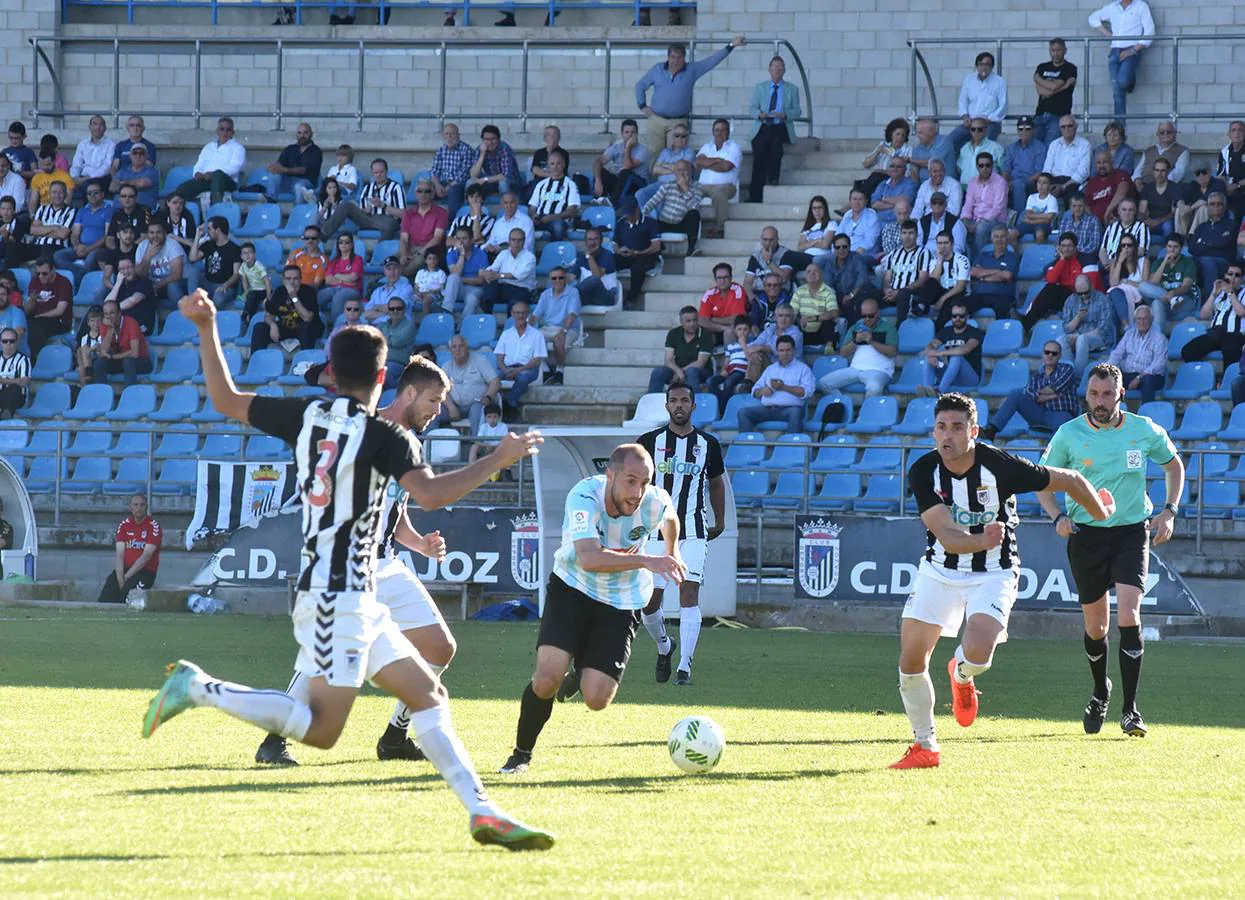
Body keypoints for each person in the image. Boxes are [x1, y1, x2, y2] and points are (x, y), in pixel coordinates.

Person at [145, 292, 553, 850]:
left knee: (429, 694)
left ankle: (484, 811)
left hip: (342, 591)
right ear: (385, 376)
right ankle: (199, 687)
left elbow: (224, 397)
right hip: (341, 596)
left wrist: (207, 324)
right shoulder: (389, 438)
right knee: (320, 730)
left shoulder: (307, 415)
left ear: (332, 374)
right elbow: (431, 496)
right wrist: (497, 460)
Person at [252, 360, 505, 766]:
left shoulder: (409, 443)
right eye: (434, 401)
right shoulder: (363, 431)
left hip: (385, 564)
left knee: (440, 647)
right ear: (408, 394)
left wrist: (420, 544)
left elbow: (395, 512)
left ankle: (394, 737)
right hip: (346, 565)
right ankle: (273, 741)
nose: (438, 411)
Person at [891, 393, 1108, 769]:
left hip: (994, 570)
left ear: (973, 431)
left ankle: (961, 675)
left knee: (978, 654)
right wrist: (980, 539)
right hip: (940, 569)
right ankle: (925, 746)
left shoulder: (1000, 466)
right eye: (941, 427)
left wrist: (1102, 511)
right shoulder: (923, 470)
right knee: (910, 662)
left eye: (958, 428)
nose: (948, 436)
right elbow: (947, 536)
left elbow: (1070, 479)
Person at [499, 443, 682, 774]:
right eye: (630, 481)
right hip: (573, 587)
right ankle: (521, 755)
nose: (638, 491)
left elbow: (671, 520)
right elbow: (589, 558)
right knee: (546, 679)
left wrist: (675, 552)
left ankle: (581, 671)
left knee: (597, 698)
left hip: (621, 601)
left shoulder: (655, 500)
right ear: (609, 475)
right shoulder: (584, 497)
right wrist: (647, 559)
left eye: (645, 482)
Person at [1038, 363, 1183, 738]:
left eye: (1106, 394)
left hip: (1131, 534)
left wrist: (1169, 511)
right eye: (1093, 394)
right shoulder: (1069, 435)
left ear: (1121, 394)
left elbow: (1174, 466)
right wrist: (1057, 516)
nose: (1099, 402)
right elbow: (1042, 481)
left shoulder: (1144, 430)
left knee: (1129, 614)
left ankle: (1131, 711)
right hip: (1086, 536)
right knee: (1096, 625)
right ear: (1087, 394)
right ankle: (1100, 691)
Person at [636, 384, 726, 686]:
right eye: (673, 401)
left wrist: (720, 519)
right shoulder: (649, 442)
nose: (679, 405)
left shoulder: (708, 444)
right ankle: (665, 646)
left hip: (694, 530)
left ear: (693, 406)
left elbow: (716, 483)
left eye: (684, 400)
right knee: (649, 602)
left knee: (689, 593)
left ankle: (685, 666)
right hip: (655, 532)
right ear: (666, 406)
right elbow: (632, 482)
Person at [634, 38, 746, 157]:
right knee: (654, 157)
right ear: (668, 57)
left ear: (684, 58)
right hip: (656, 120)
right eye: (673, 57)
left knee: (676, 156)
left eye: (679, 57)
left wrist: (730, 45)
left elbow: (711, 61)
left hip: (678, 121)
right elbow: (640, 85)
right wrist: (642, 105)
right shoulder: (657, 69)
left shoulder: (691, 70)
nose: (675, 61)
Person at [980, 340, 1079, 440]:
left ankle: (1053, 454)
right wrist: (1055, 394)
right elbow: (1035, 396)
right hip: (1040, 413)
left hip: (1061, 413)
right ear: (1042, 354)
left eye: (1054, 353)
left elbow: (1055, 387)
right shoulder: (1036, 376)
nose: (1050, 355)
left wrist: (1049, 392)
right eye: (1047, 352)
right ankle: (992, 430)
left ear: (1059, 356)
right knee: (1016, 394)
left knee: (1062, 425)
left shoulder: (1067, 369)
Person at [816, 299, 898, 398]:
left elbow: (893, 352)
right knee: (823, 383)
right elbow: (843, 353)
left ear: (878, 313)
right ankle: (845, 407)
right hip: (854, 369)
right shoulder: (855, 327)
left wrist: (872, 341)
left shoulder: (889, 328)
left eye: (871, 316)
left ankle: (864, 413)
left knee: (874, 388)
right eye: (864, 316)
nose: (867, 319)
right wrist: (855, 341)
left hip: (879, 370)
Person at [747, 55, 801, 203]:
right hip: (763, 125)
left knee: (775, 145)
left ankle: (773, 179)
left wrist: (785, 114)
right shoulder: (761, 88)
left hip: (780, 125)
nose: (777, 70)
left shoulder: (792, 89)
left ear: (784, 70)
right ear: (769, 69)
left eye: (780, 67)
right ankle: (755, 194)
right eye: (774, 67)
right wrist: (760, 115)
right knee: (759, 156)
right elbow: (752, 108)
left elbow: (797, 111)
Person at [1089, 0, 1154, 119]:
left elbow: (1150, 33)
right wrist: (1108, 34)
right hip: (1114, 51)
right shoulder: (1113, 7)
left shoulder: (1141, 6)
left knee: (1122, 82)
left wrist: (1132, 50)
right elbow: (1093, 18)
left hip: (1131, 50)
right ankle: (1120, 127)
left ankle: (1130, 79)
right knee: (1117, 92)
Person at [735, 335, 813, 433]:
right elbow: (754, 391)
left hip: (790, 409)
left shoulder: (803, 369)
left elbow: (806, 392)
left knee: (795, 412)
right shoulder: (770, 369)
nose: (785, 353)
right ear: (777, 351)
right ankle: (746, 445)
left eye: (788, 350)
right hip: (768, 409)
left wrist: (783, 387)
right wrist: (763, 391)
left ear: (794, 350)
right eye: (781, 350)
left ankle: (792, 445)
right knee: (743, 412)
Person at [98, 494, 161, 604]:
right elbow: (119, 555)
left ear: (146, 507)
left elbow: (146, 557)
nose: (139, 508)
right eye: (135, 505)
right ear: (130, 508)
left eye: (142, 505)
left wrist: (126, 577)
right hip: (124, 569)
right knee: (107, 594)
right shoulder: (124, 525)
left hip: (145, 572)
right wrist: (120, 578)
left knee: (126, 597)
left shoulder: (153, 526)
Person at [322, 158, 405, 240]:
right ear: (372, 173)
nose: (379, 175)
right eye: (376, 172)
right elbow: (362, 211)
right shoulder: (367, 188)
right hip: (368, 219)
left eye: (381, 172)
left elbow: (403, 214)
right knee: (345, 205)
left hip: (387, 218)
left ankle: (380, 250)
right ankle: (322, 235)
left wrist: (383, 206)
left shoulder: (396, 187)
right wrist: (365, 210)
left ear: (386, 171)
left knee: (389, 225)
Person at [173, 117, 246, 209]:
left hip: (227, 181)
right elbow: (199, 164)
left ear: (233, 132)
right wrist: (197, 173)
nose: (225, 132)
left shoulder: (238, 148)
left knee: (218, 175)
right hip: (206, 179)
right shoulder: (209, 147)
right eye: (222, 129)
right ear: (217, 131)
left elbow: (235, 167)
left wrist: (213, 174)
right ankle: (187, 214)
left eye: (228, 130)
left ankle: (215, 210)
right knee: (182, 189)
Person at [249, 265, 323, 351]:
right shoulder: (279, 291)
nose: (292, 282)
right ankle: (257, 360)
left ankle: (305, 362)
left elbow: (307, 318)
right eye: (288, 279)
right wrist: (272, 325)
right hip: (286, 326)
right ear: (283, 280)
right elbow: (269, 315)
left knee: (306, 327)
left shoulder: (309, 291)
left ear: (300, 279)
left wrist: (294, 297)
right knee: (259, 327)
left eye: (295, 278)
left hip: (308, 327)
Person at [1182, 264, 1245, 365]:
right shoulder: (1220, 293)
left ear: (1242, 279)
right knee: (1188, 351)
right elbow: (1204, 315)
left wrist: (1231, 293)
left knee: (1230, 349)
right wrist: (1213, 294)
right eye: (1230, 274)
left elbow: (1241, 312)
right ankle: (1206, 375)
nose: (1232, 277)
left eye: (1237, 275)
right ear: (1225, 276)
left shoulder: (1243, 293)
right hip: (1216, 334)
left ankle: (1226, 380)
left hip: (1235, 335)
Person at [437, 334, 501, 434]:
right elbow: (440, 389)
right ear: (450, 351)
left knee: (478, 411)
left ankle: (477, 446)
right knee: (431, 413)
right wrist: (451, 408)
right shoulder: (447, 366)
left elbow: (495, 381)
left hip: (477, 403)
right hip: (455, 406)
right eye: (454, 347)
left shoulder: (479, 360)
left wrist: (488, 397)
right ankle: (425, 446)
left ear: (466, 347)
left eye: (461, 346)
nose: (457, 349)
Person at [530, 267, 583, 384]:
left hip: (569, 328)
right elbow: (535, 315)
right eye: (554, 278)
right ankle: (545, 369)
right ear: (550, 280)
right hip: (548, 328)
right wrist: (525, 327)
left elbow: (572, 315)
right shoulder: (545, 295)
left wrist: (563, 331)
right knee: (530, 338)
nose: (557, 281)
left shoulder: (573, 292)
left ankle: (559, 371)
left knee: (559, 340)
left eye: (560, 278)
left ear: (565, 279)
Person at [917, 303, 983, 396]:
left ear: (967, 317)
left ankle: (940, 391)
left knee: (956, 357)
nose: (957, 318)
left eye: (961, 316)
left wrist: (939, 353)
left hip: (969, 378)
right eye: (954, 316)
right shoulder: (947, 331)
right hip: (952, 376)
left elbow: (965, 349)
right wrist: (931, 354)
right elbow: (931, 344)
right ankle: (927, 390)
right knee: (929, 357)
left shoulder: (975, 332)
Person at [1137, 233, 1198, 332]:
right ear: (1165, 247)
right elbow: (1153, 283)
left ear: (1181, 248)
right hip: (1166, 301)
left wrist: (1173, 293)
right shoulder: (1159, 262)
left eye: (1176, 247)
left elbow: (1186, 287)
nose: (1172, 250)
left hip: (1183, 301)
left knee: (1157, 301)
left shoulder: (1188, 262)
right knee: (1142, 286)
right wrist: (1164, 262)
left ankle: (1157, 338)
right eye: (1169, 247)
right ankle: (1158, 338)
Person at [1106, 304, 1167, 402]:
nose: (1141, 322)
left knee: (1147, 381)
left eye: (1145, 319)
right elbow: (1117, 353)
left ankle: (1146, 414)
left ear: (1151, 320)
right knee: (1109, 378)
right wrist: (1107, 368)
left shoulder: (1159, 338)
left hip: (1150, 376)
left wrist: (1139, 377)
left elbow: (1159, 364)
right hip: (1129, 374)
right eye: (1139, 319)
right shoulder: (1129, 334)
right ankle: (1110, 414)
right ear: (1135, 320)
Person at [640, 160, 703, 254]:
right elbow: (653, 201)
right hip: (664, 221)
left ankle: (691, 249)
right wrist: (643, 214)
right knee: (647, 223)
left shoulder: (697, 186)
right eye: (678, 170)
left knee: (694, 214)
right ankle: (652, 252)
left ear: (690, 171)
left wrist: (685, 188)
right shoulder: (668, 185)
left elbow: (695, 206)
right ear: (675, 172)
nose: (681, 173)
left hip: (682, 223)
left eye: (684, 170)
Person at [949, 52, 1007, 152]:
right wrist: (965, 116)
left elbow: (1003, 105)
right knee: (950, 141)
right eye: (981, 64)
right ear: (977, 66)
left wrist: (989, 119)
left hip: (990, 123)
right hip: (970, 122)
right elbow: (962, 101)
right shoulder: (969, 80)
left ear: (992, 67)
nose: (984, 67)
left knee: (985, 145)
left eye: (987, 64)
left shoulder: (999, 82)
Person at [648, 305, 712, 394]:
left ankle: (694, 405)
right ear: (681, 322)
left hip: (700, 371)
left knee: (691, 372)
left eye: (694, 320)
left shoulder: (706, 334)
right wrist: (678, 371)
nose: (692, 324)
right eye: (688, 321)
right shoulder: (674, 333)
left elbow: (700, 363)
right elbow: (668, 360)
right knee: (658, 372)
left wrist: (681, 372)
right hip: (678, 369)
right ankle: (652, 403)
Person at [494, 301, 544, 413]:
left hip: (527, 369)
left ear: (528, 314)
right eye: (517, 313)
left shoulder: (537, 335)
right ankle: (490, 405)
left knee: (522, 378)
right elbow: (499, 358)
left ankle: (508, 404)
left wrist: (517, 371)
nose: (520, 316)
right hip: (507, 368)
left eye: (523, 313)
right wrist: (506, 370)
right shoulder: (506, 334)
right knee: (493, 377)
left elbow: (536, 361)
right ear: (512, 314)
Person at [695, 119, 743, 234]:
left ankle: (721, 228)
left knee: (718, 194)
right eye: (716, 130)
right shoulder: (707, 146)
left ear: (728, 132)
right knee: (688, 193)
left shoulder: (734, 148)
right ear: (713, 132)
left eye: (723, 130)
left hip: (725, 186)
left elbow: (726, 167)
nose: (719, 133)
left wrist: (707, 163)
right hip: (702, 186)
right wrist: (716, 160)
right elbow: (698, 162)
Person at [1059, 275, 1116, 373]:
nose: (1083, 296)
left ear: (1091, 286)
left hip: (1098, 337)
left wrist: (1079, 336)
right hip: (1076, 335)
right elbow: (1066, 328)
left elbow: (1103, 329)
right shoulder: (1071, 300)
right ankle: (1070, 372)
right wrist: (1078, 318)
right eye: (1079, 294)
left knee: (1082, 340)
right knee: (1060, 340)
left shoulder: (1102, 299)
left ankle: (1078, 376)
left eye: (1086, 293)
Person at [613, 196, 662, 308]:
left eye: (630, 213)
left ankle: (631, 298)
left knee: (638, 268)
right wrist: (619, 251)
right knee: (609, 260)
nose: (627, 216)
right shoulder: (621, 224)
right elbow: (614, 243)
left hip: (645, 255)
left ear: (637, 210)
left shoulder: (651, 223)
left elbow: (656, 246)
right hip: (626, 255)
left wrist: (637, 252)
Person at [54, 181, 111, 275]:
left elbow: (107, 236)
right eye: (89, 193)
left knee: (88, 263)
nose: (92, 195)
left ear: (102, 194)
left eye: (96, 193)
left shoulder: (109, 211)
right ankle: (80, 274)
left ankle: (79, 277)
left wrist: (88, 249)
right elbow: (75, 234)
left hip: (97, 248)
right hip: (81, 247)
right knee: (58, 256)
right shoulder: (82, 211)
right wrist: (77, 246)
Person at [916, 232, 971, 330]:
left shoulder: (962, 260)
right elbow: (933, 280)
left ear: (952, 244)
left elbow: (960, 286)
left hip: (958, 293)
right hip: (941, 291)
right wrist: (940, 261)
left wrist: (942, 299)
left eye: (945, 243)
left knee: (949, 303)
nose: (942, 246)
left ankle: (937, 331)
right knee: (930, 283)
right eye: (939, 243)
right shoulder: (934, 260)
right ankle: (921, 307)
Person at [881, 220, 932, 323]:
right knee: (866, 291)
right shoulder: (893, 253)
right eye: (904, 233)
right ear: (900, 235)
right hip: (892, 293)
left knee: (904, 293)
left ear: (916, 235)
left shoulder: (923, 253)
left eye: (911, 233)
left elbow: (922, 279)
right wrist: (887, 289)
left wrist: (899, 292)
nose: (907, 237)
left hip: (910, 293)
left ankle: (900, 328)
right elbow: (887, 278)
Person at [634, 124, 695, 210]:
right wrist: (673, 168)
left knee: (660, 201)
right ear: (673, 138)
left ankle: (657, 221)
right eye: (677, 136)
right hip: (660, 184)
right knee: (639, 194)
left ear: (687, 138)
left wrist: (664, 165)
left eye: (683, 136)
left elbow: (681, 169)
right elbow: (655, 170)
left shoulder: (689, 152)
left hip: (677, 185)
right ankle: (650, 219)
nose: (680, 138)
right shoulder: (665, 152)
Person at [821, 234, 879, 323]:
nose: (841, 250)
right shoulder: (830, 263)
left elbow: (862, 281)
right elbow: (828, 284)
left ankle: (853, 331)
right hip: (841, 295)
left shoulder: (857, 258)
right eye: (838, 247)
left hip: (859, 293)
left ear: (849, 247)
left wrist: (851, 295)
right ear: (834, 248)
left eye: (844, 247)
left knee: (856, 298)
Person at [93, 298, 152, 385]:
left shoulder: (131, 323)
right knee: (99, 362)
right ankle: (102, 393)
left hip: (140, 361)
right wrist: (110, 330)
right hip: (120, 360)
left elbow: (134, 353)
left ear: (119, 314)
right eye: (106, 314)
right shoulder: (105, 325)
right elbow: (103, 352)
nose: (109, 316)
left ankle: (129, 393)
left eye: (112, 313)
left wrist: (113, 357)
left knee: (128, 361)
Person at [478, 228, 537, 315]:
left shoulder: (530, 257)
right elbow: (493, 268)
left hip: (522, 289)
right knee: (489, 283)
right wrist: (484, 272)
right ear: (509, 241)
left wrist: (498, 276)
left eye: (519, 240)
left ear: (524, 241)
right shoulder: (503, 254)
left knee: (514, 304)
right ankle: (487, 313)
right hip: (504, 288)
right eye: (513, 240)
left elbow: (518, 275)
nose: (516, 243)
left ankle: (510, 326)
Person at [592, 119, 650, 206]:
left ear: (637, 134)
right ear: (622, 134)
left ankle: (613, 202)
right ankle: (600, 200)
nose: (630, 135)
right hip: (621, 182)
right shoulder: (617, 146)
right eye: (627, 132)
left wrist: (628, 147)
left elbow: (627, 166)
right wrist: (598, 180)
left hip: (638, 184)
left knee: (625, 173)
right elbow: (599, 161)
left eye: (633, 132)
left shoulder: (643, 150)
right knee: (601, 171)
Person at [526, 148, 581, 242]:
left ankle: (554, 253)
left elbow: (572, 211)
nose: (555, 167)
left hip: (559, 220)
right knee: (523, 224)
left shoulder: (570, 184)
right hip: (540, 219)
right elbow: (532, 207)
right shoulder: (541, 184)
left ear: (564, 165)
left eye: (558, 163)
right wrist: (533, 216)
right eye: (552, 164)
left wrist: (551, 217)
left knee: (557, 226)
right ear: (548, 166)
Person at [187, 216, 242, 307]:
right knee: (193, 272)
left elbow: (236, 274)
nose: (208, 232)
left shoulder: (234, 249)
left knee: (218, 299)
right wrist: (197, 236)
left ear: (218, 230)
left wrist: (225, 285)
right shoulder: (209, 245)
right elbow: (192, 258)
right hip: (207, 283)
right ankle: (191, 304)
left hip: (225, 286)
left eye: (209, 229)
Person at [399, 179, 449, 279]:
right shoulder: (408, 213)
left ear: (433, 193)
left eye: (427, 191)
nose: (423, 194)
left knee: (408, 268)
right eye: (420, 191)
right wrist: (404, 254)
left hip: (429, 249)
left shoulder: (441, 213)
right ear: (415, 193)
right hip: (410, 247)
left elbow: (437, 238)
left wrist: (420, 252)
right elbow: (404, 238)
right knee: (391, 262)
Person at [1032, 38, 1078, 145]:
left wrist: (1038, 79)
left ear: (1065, 50)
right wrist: (1064, 86)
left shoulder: (1070, 68)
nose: (1056, 53)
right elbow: (1040, 90)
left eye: (1059, 50)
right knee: (1035, 148)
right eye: (1053, 50)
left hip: (1059, 116)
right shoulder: (1042, 67)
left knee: (1051, 148)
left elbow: (1053, 86)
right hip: (1040, 114)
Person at [962, 152, 1009, 257]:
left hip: (995, 221)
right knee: (958, 226)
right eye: (981, 165)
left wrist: (978, 223)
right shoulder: (972, 182)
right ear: (977, 167)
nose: (985, 168)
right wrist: (965, 219)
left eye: (987, 165)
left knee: (982, 228)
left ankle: (979, 261)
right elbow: (968, 204)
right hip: (975, 219)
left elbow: (997, 209)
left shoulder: (1000, 182)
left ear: (992, 166)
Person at [24, 257, 73, 357]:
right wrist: (32, 300)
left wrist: (39, 316)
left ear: (53, 270)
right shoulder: (35, 281)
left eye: (44, 273)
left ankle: (36, 357)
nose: (41, 276)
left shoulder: (63, 282)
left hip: (58, 321)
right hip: (36, 320)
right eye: (38, 273)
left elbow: (59, 311)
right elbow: (28, 311)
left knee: (34, 326)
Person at [1188, 194, 1237, 295]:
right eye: (1212, 204)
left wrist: (1203, 243)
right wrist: (1212, 243)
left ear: (1224, 207)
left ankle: (1210, 301)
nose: (1216, 207)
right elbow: (1192, 248)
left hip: (1223, 262)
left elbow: (1223, 243)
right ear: (1207, 207)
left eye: (1219, 204)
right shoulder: (1201, 227)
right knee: (1186, 261)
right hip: (1199, 260)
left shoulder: (1232, 224)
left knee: (1207, 262)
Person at [970, 225, 1020, 320]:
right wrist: (997, 271)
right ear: (991, 239)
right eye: (996, 236)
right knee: (959, 307)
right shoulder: (983, 255)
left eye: (1002, 236)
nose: (999, 240)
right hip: (981, 294)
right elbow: (974, 272)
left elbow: (1007, 275)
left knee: (1002, 310)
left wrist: (983, 277)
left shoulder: (1013, 257)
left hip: (1002, 295)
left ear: (1007, 238)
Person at [134, 219, 186, 307]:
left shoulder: (172, 245)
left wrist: (158, 285)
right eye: (151, 232)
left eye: (158, 232)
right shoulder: (142, 246)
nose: (155, 236)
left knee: (172, 286)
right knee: (141, 285)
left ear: (164, 233)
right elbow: (139, 273)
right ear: (147, 234)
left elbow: (176, 275)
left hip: (170, 284)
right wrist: (148, 256)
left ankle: (180, 315)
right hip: (152, 285)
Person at [856, 119, 912, 201]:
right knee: (870, 179)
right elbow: (865, 164)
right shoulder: (883, 145)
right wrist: (877, 152)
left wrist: (886, 172)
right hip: (877, 179)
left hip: (894, 179)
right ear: (891, 134)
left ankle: (854, 203)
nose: (900, 138)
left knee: (875, 176)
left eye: (903, 135)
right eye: (897, 134)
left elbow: (907, 172)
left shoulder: (908, 150)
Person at [1002, 116, 1049, 213]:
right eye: (1020, 129)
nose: (1024, 131)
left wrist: (1018, 182)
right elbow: (1006, 169)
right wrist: (1008, 181)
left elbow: (1039, 172)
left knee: (1018, 185)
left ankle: (1019, 217)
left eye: (1027, 128)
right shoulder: (1011, 147)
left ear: (1033, 130)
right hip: (1013, 182)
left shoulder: (1039, 147)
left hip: (1031, 182)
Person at [266, 122, 322, 201]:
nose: (302, 136)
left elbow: (304, 170)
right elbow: (280, 164)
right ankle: (270, 201)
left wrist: (285, 170)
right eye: (299, 133)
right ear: (296, 135)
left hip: (306, 182)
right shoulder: (290, 149)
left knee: (299, 187)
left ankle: (298, 211)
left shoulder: (316, 151)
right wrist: (273, 167)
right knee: (273, 176)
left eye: (305, 133)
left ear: (311, 134)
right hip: (288, 181)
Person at [1043, 115, 1093, 200]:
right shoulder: (1054, 144)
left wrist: (1064, 186)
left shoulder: (1085, 145)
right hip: (1054, 180)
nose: (1066, 129)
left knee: (1071, 192)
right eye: (1063, 127)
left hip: (1072, 182)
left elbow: (1083, 172)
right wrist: (1048, 185)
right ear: (1060, 128)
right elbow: (1047, 169)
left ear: (1076, 127)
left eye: (1070, 126)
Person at [430, 123, 475, 214]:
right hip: (443, 183)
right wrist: (438, 185)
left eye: (452, 134)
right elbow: (434, 171)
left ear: (458, 135)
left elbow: (464, 174)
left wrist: (448, 187)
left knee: (453, 190)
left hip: (459, 184)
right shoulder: (441, 150)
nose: (449, 136)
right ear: (443, 136)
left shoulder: (466, 149)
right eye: (446, 134)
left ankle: (452, 222)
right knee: (425, 189)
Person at [318, 233, 364, 324]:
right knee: (322, 294)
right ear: (338, 245)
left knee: (339, 296)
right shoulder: (334, 261)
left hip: (353, 290)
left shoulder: (357, 259)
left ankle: (337, 327)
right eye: (341, 242)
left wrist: (337, 275)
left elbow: (353, 277)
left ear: (351, 245)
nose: (343, 244)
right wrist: (345, 281)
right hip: (337, 288)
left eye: (347, 242)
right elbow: (328, 280)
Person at [443, 228, 489, 317]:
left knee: (472, 300)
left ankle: (462, 327)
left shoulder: (481, 255)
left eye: (464, 238)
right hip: (458, 289)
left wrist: (461, 279)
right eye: (458, 239)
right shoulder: (451, 255)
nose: (461, 242)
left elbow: (480, 280)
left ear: (472, 240)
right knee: (452, 278)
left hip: (475, 289)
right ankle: (447, 311)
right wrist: (462, 255)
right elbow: (455, 274)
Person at [706, 316, 752, 405]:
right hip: (730, 371)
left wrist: (743, 345)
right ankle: (717, 404)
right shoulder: (731, 346)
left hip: (742, 371)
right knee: (710, 381)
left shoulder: (752, 345)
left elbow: (750, 359)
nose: (742, 332)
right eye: (739, 329)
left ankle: (724, 408)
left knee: (729, 382)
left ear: (749, 331)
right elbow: (727, 361)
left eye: (745, 329)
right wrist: (723, 370)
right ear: (735, 331)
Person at [468, 125, 522, 200]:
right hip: (492, 182)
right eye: (486, 139)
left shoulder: (504, 149)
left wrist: (485, 180)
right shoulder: (480, 149)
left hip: (511, 183)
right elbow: (473, 174)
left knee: (503, 183)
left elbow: (505, 175)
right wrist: (482, 154)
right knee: (470, 182)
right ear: (482, 140)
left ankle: (506, 209)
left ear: (499, 139)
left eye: (493, 139)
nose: (490, 142)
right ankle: (472, 209)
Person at [105, 256, 156, 336]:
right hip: (122, 324)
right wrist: (117, 284)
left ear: (134, 267)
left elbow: (132, 301)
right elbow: (107, 303)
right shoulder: (119, 284)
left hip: (141, 325)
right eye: (122, 269)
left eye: (129, 267)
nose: (126, 271)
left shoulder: (144, 282)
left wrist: (112, 311)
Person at [790, 262, 838, 345]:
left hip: (821, 331)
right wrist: (798, 320)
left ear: (821, 275)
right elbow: (792, 311)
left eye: (815, 271)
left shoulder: (828, 291)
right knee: (788, 321)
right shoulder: (800, 291)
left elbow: (834, 313)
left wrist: (813, 318)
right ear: (805, 276)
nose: (812, 273)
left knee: (829, 323)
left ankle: (829, 347)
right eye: (809, 272)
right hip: (802, 329)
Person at [698, 262, 748, 341]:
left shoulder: (737, 290)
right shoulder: (709, 294)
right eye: (719, 278)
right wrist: (722, 328)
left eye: (725, 277)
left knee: (729, 331)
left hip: (734, 329)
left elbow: (736, 319)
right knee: (702, 333)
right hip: (719, 329)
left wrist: (712, 319)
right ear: (715, 279)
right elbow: (701, 320)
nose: (722, 281)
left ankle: (729, 353)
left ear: (731, 278)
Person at [572, 227, 618, 308]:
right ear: (586, 242)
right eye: (590, 239)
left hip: (606, 296)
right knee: (557, 277)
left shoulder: (608, 255)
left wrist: (589, 256)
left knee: (594, 279)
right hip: (588, 296)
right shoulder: (582, 257)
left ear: (601, 240)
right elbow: (571, 276)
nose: (593, 242)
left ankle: (569, 295)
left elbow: (597, 275)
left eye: (596, 239)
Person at [1011, 172, 1058, 247]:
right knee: (1012, 233)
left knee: (1039, 235)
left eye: (1044, 183)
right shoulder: (1031, 197)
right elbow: (1028, 214)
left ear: (1050, 186)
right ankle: (1017, 257)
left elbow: (1049, 218)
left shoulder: (1052, 199)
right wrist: (1043, 216)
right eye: (1039, 182)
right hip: (1030, 223)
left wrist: (1031, 220)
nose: (1041, 185)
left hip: (1045, 225)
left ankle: (1039, 256)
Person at [1084, 151, 1132, 225]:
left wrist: (1108, 210)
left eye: (1105, 162)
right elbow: (1087, 205)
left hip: (1115, 219)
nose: (1101, 166)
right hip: (1096, 223)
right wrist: (1093, 220)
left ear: (1112, 162)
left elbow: (1122, 191)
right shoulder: (1091, 182)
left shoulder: (1120, 174)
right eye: (1098, 163)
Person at [1138, 157, 1179, 239]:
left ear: (1168, 171)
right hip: (1149, 221)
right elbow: (1141, 211)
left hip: (1166, 221)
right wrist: (1147, 220)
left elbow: (1174, 213)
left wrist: (1158, 221)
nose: (1159, 174)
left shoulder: (1174, 187)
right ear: (1153, 171)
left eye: (1163, 170)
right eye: (1157, 170)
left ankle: (1169, 249)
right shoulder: (1147, 188)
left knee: (1167, 226)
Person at [109, 144, 159, 209]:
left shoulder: (153, 172)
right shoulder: (122, 170)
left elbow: (140, 184)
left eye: (141, 153)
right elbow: (112, 187)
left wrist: (121, 183)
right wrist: (131, 184)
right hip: (119, 211)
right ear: (130, 156)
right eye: (135, 153)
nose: (138, 155)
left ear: (147, 156)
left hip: (143, 209)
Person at [908, 117, 956, 183]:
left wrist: (909, 159)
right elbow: (913, 170)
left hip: (945, 185)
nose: (917, 136)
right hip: (925, 187)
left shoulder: (944, 141)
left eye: (920, 133)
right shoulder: (918, 147)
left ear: (931, 132)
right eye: (917, 133)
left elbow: (933, 163)